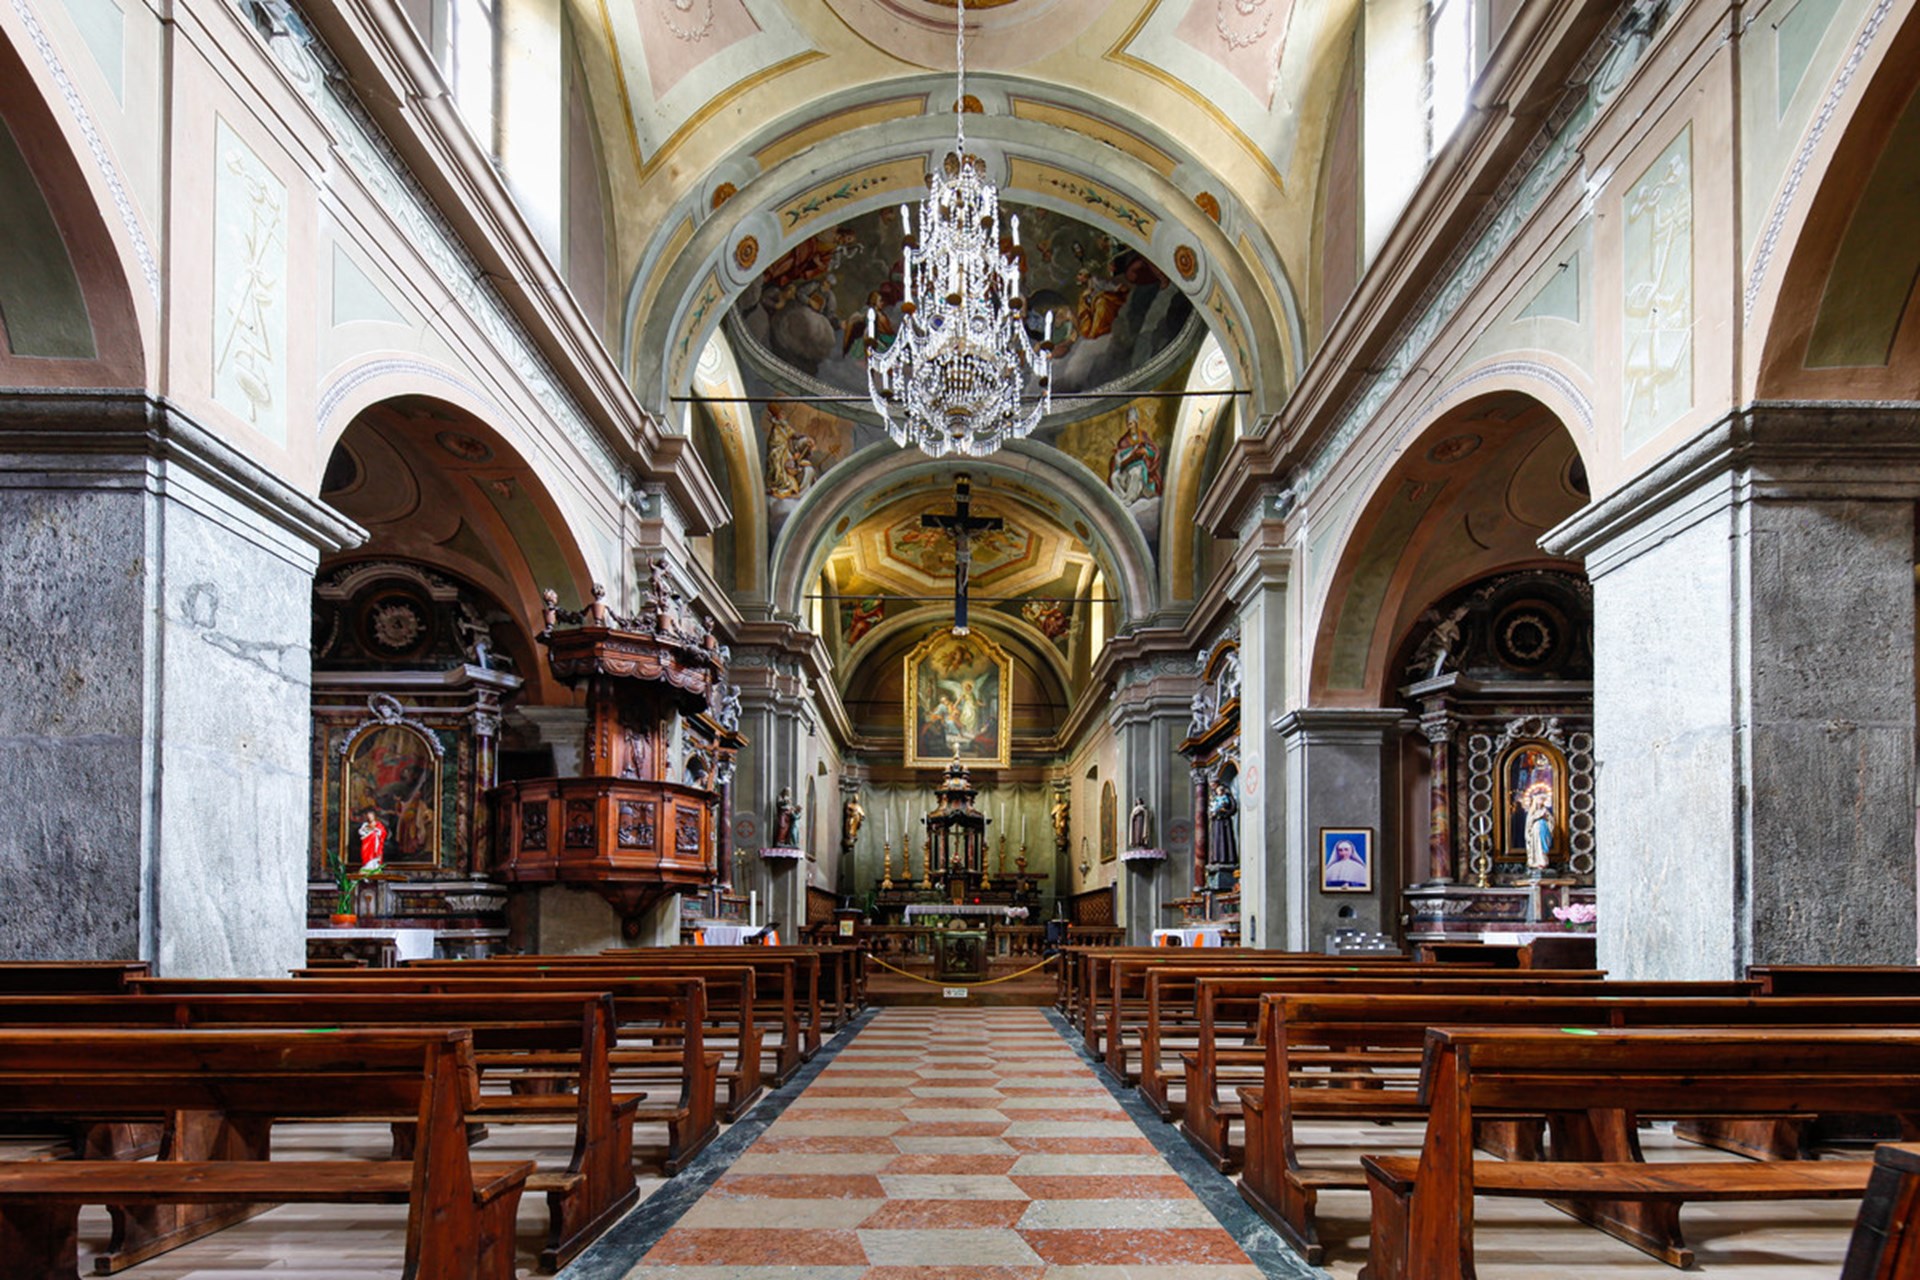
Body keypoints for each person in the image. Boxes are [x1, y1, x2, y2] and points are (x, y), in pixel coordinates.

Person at [357, 808, 387, 874]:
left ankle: (375, 867)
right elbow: (361, 832)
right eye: (368, 816)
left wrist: (376, 831)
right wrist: (367, 831)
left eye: (371, 816)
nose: (369, 817)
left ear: (374, 816)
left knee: (375, 857)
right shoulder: (365, 825)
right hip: (366, 844)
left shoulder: (378, 824)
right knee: (366, 856)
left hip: (375, 845)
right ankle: (367, 867)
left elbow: (383, 833)